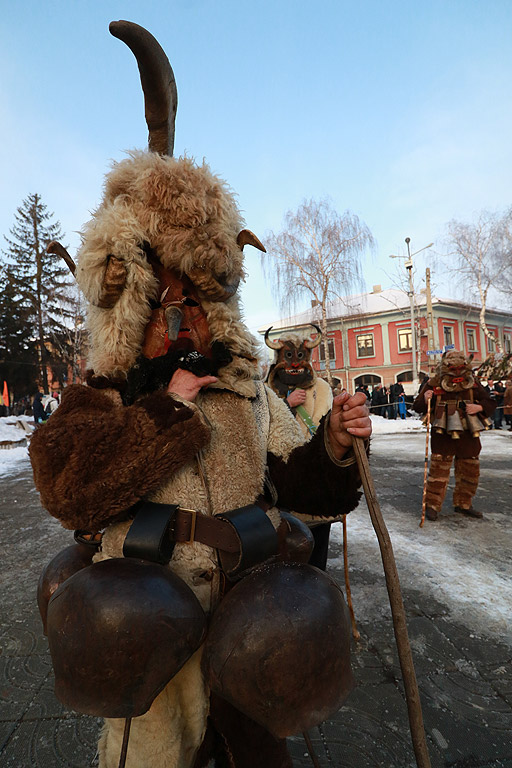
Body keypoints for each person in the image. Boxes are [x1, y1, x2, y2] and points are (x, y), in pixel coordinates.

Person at [29, 21, 372, 768]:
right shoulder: (104, 394)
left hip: (256, 625)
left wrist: (336, 447)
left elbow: (298, 480)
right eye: (161, 291)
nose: (177, 312)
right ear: (132, 294)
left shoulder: (247, 387)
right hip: (144, 639)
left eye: (193, 290)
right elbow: (68, 486)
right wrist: (167, 409)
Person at [264, 326, 338, 570]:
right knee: (281, 556)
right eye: (287, 357)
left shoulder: (323, 389)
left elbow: (328, 434)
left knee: (315, 559)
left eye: (300, 357)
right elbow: (261, 428)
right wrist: (286, 404)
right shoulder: (267, 390)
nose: (294, 364)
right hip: (277, 491)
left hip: (314, 493)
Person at [413, 350, 495, 521]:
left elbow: (489, 401)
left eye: (460, 368)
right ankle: (432, 506)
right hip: (443, 434)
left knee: (469, 471)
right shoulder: (434, 383)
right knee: (438, 472)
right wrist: (426, 398)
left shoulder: (473, 383)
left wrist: (479, 407)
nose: (457, 372)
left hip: (468, 434)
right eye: (453, 368)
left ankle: (464, 504)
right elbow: (418, 406)